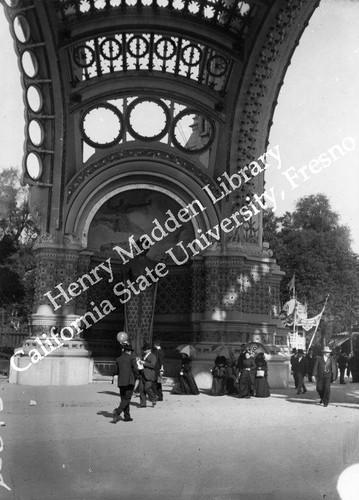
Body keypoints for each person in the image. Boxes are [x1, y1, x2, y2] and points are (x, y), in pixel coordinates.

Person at [112, 343, 139, 423]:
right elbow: (135, 369)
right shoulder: (132, 358)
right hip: (130, 381)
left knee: (124, 399)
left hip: (121, 382)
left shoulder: (118, 359)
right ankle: (117, 412)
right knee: (127, 399)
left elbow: (116, 371)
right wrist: (136, 376)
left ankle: (127, 416)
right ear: (130, 351)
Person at [138, 341, 158, 408]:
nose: (144, 351)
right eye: (144, 349)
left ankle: (153, 398)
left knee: (147, 388)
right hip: (142, 374)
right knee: (141, 389)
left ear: (149, 349)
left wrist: (144, 363)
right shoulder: (143, 356)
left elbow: (152, 365)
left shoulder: (153, 356)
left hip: (149, 375)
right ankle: (143, 404)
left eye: (145, 349)